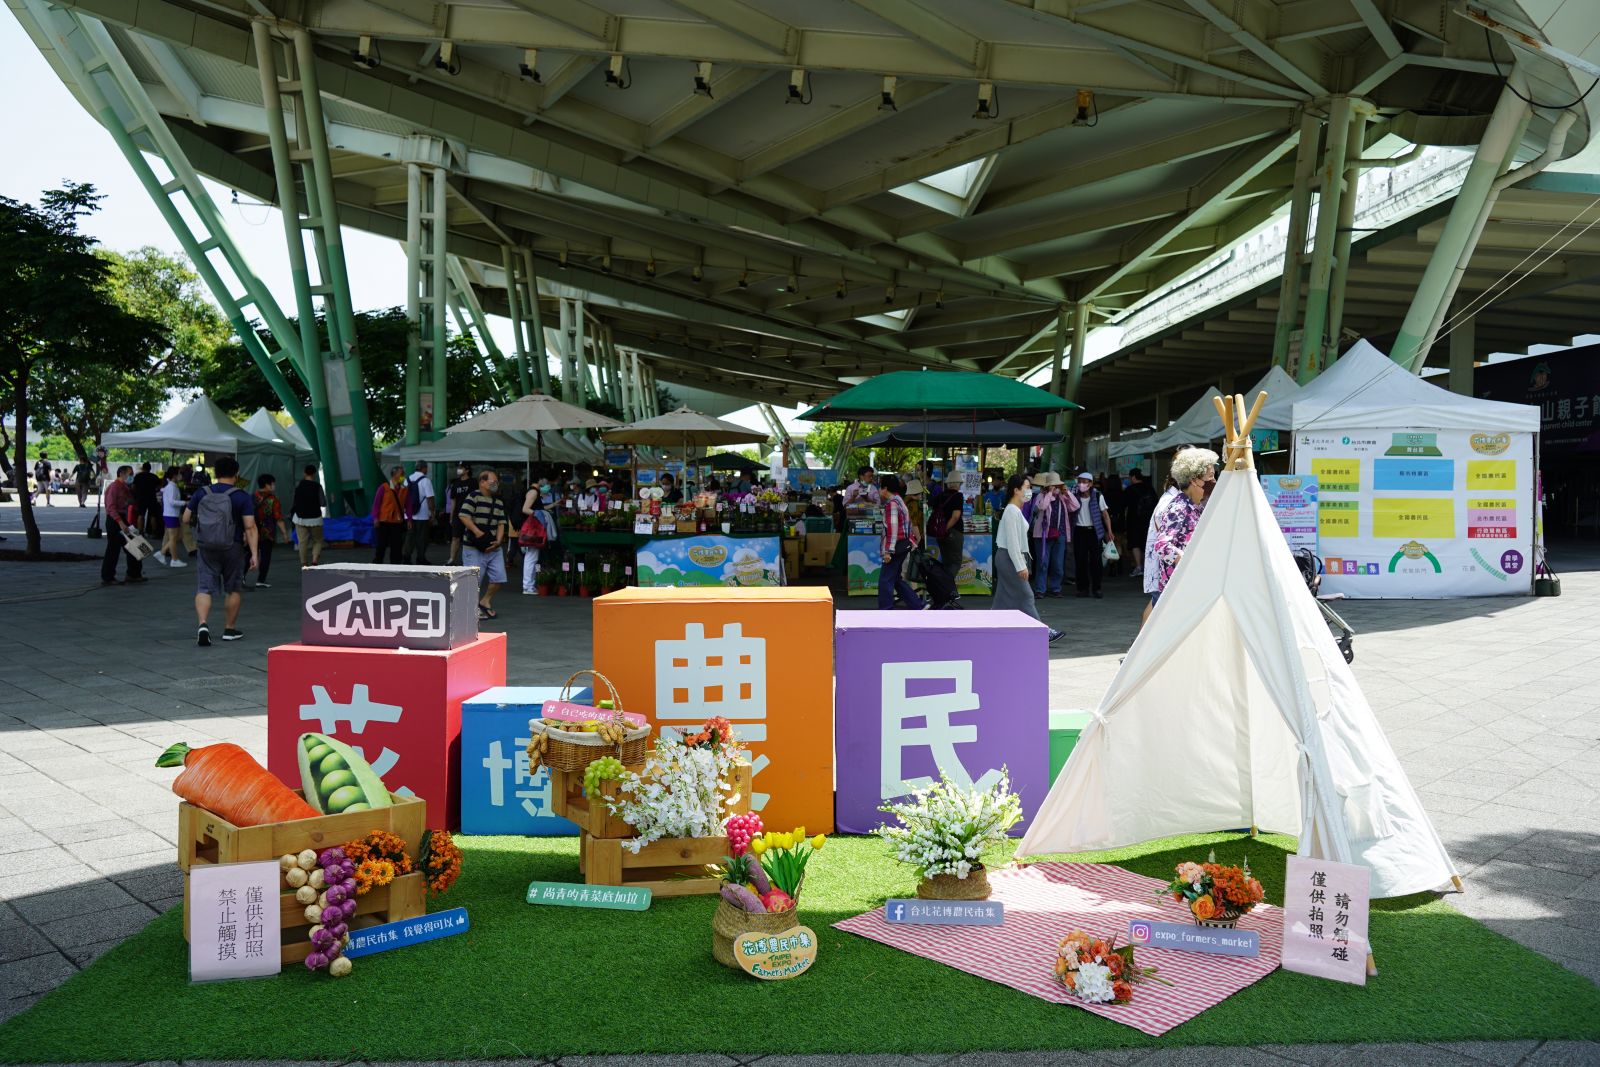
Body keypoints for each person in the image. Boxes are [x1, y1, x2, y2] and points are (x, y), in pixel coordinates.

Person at [183, 456, 259, 645]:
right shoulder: (242, 496)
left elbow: (185, 518)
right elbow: (250, 526)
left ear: (215, 473)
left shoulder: (202, 493)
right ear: (237, 473)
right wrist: (254, 554)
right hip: (232, 547)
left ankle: (202, 624)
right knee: (233, 588)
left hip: (206, 546)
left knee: (204, 588)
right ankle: (229, 629)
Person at [992, 473, 1063, 643]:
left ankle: (991, 627)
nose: (1029, 491)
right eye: (1027, 487)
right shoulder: (1011, 511)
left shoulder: (1014, 510)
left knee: (1003, 598)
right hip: (1009, 557)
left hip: (1008, 556)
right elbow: (1013, 543)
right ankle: (1042, 632)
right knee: (1026, 596)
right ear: (1016, 490)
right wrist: (1020, 566)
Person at [1147, 448, 1218, 615]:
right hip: (1179, 590)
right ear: (1194, 480)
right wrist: (1189, 563)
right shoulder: (1179, 508)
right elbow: (1163, 545)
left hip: (1189, 588)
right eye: (1210, 477)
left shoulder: (1195, 507)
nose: (1214, 481)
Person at [459, 470, 510, 620]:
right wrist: (477, 532)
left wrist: (499, 541)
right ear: (482, 482)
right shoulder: (473, 497)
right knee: (473, 580)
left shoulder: (498, 501)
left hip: (494, 547)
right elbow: (463, 515)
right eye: (492, 481)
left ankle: (485, 601)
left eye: (496, 482)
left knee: (499, 578)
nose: (495, 484)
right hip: (473, 547)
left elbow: (501, 523)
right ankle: (471, 608)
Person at [876, 474, 924, 611]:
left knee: (885, 580)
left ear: (885, 489)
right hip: (904, 545)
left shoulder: (892, 504)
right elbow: (906, 525)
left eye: (880, 488)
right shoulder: (899, 501)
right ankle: (917, 604)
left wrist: (888, 551)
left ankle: (885, 609)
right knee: (895, 579)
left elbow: (892, 530)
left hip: (895, 547)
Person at [1067, 471, 1115, 599]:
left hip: (1094, 532)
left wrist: (1109, 531)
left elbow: (1105, 515)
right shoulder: (1074, 496)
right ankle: (1082, 588)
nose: (1081, 484)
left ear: (1091, 483)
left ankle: (1096, 588)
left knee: (1096, 561)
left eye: (1084, 481)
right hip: (1079, 531)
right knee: (1080, 560)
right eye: (1080, 481)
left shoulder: (1098, 496)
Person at [1025, 471, 1070, 598]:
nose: (1055, 487)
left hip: (1059, 533)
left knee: (1058, 564)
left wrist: (1067, 492)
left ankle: (1056, 588)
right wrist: (1049, 493)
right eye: (1053, 485)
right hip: (1042, 535)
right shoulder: (1041, 496)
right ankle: (1040, 589)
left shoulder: (1062, 497)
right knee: (1042, 563)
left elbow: (1075, 506)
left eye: (1057, 485)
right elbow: (1043, 507)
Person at [100, 464, 145, 586]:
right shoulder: (114, 487)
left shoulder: (125, 487)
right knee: (113, 549)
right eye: (130, 474)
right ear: (122, 474)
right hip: (115, 520)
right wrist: (120, 523)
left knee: (134, 546)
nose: (132, 476)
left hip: (123, 519)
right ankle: (108, 577)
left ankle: (133, 574)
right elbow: (111, 507)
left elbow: (130, 502)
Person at [251, 474, 289, 588]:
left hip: (252, 531)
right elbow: (278, 518)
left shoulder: (252, 497)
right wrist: (285, 534)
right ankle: (261, 580)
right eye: (273, 484)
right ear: (267, 485)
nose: (274, 486)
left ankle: (241, 578)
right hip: (267, 532)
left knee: (248, 554)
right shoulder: (273, 500)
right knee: (265, 556)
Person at [518, 481, 555, 595]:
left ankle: (529, 585)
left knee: (532, 556)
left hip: (533, 527)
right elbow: (525, 509)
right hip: (533, 528)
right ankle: (528, 586)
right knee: (531, 557)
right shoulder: (533, 492)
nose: (546, 484)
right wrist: (539, 514)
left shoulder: (533, 491)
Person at [369, 465, 410, 565]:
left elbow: (408, 505)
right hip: (384, 521)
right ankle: (378, 563)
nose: (403, 476)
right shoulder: (384, 487)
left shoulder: (404, 489)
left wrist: (409, 519)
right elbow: (376, 504)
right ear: (394, 475)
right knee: (381, 545)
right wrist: (375, 518)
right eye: (401, 474)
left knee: (397, 546)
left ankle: (395, 565)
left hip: (397, 522)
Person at [1122, 468, 1158, 579]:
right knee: (1146, 544)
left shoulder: (1130, 489)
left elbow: (1123, 505)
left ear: (1133, 477)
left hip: (1134, 520)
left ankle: (1138, 566)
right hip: (1149, 520)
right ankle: (1147, 567)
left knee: (1135, 544)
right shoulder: (1150, 488)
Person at [928, 471, 966, 572]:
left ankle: (944, 585)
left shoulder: (940, 496)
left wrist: (941, 530)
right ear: (958, 484)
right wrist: (945, 529)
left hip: (940, 535)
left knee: (946, 562)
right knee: (955, 563)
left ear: (948, 483)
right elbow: (955, 516)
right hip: (953, 532)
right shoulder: (958, 496)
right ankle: (946, 586)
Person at [291, 465, 326, 568]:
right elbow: (323, 503)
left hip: (300, 518)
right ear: (314, 474)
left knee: (302, 542)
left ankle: (304, 563)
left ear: (304, 473)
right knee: (318, 540)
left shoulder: (299, 486)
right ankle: (314, 561)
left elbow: (295, 503)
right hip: (315, 518)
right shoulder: (317, 487)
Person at [402, 461, 436, 565]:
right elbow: (430, 498)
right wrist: (432, 513)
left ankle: (406, 558)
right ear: (423, 468)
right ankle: (420, 558)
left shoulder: (406, 480)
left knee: (409, 537)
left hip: (409, 515)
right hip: (422, 515)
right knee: (422, 538)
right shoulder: (426, 480)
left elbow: (403, 497)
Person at [157, 468, 188, 567]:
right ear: (174, 475)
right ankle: (174, 559)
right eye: (179, 473)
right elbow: (172, 501)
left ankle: (162, 553)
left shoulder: (171, 486)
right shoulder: (171, 487)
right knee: (174, 538)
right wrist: (185, 503)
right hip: (171, 515)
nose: (180, 476)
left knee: (176, 537)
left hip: (171, 515)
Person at [446, 465, 474, 565]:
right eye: (458, 468)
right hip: (458, 514)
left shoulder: (473, 483)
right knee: (455, 537)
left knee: (469, 538)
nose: (459, 470)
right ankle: (452, 559)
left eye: (461, 468)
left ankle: (467, 560)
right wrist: (451, 516)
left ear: (467, 470)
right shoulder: (456, 483)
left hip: (470, 514)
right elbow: (453, 501)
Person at [132, 462, 161, 537]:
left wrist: (136, 494)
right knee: (153, 515)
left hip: (141, 498)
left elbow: (133, 486)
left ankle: (140, 532)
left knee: (141, 515)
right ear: (150, 468)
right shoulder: (154, 476)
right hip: (152, 498)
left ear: (142, 468)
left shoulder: (138, 476)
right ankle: (154, 532)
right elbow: (159, 487)